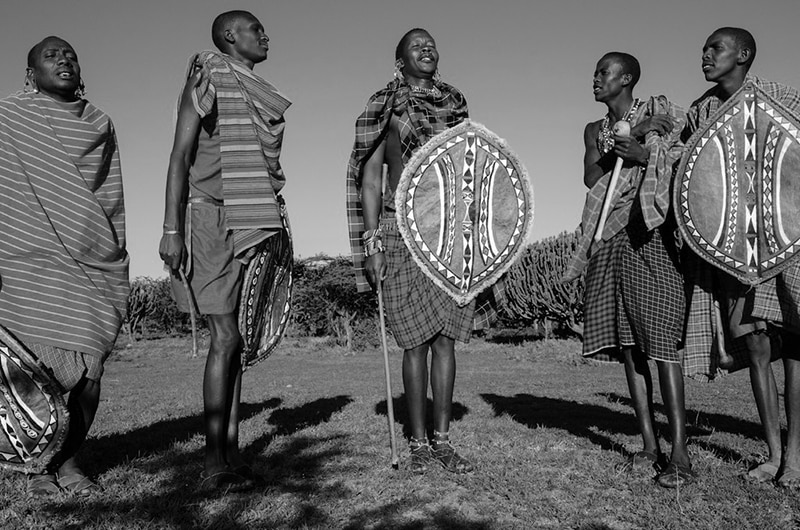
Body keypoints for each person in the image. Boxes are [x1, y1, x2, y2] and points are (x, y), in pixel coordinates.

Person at [159, 10, 291, 492]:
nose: (265, 34)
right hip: (206, 217)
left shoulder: (257, 92)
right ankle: (213, 462)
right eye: (256, 28)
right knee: (226, 336)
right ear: (230, 36)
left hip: (248, 221)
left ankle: (231, 454)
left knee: (238, 343)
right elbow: (179, 156)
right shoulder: (207, 76)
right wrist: (171, 228)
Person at [0, 36, 130, 496]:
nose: (65, 60)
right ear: (31, 74)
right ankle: (39, 471)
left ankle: (69, 461)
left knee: (89, 373)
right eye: (52, 55)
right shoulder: (9, 117)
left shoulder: (100, 122)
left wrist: (113, 251)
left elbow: (111, 196)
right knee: (40, 370)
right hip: (27, 259)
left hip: (92, 257)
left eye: (70, 54)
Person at [347, 28, 476, 474]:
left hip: (449, 231)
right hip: (399, 227)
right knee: (415, 340)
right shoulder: (387, 107)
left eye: (432, 44)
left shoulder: (455, 106)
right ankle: (418, 443)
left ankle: (442, 441)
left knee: (446, 338)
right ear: (399, 61)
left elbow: (471, 171)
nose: (427, 48)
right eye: (416, 45)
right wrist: (371, 243)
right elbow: (370, 180)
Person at [563, 52, 693, 487]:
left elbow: (679, 164)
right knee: (628, 344)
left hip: (649, 233)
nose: (595, 79)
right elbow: (592, 178)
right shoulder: (592, 130)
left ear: (628, 78)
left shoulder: (662, 111)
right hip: (610, 237)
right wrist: (633, 138)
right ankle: (649, 444)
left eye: (604, 73)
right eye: (595, 73)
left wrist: (643, 149)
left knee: (659, 342)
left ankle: (680, 454)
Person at [681, 27, 800, 488]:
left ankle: (795, 456)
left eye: (716, 49)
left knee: (794, 345)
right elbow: (693, 177)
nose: (706, 56)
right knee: (755, 344)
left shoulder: (783, 99)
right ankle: (773, 453)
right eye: (704, 49)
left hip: (786, 241)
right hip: (734, 249)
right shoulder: (702, 112)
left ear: (743, 54)